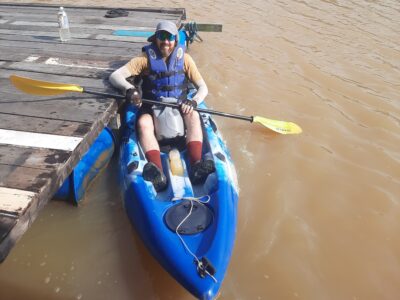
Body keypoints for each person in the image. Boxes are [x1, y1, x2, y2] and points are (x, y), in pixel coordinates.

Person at [109, 20, 215, 191]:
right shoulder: (144, 60)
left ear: (175, 39)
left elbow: (203, 87)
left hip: (179, 107)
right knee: (143, 123)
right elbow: (115, 76)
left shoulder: (186, 60)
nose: (166, 41)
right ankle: (157, 170)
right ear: (155, 38)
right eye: (162, 36)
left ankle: (196, 165)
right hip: (152, 107)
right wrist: (130, 89)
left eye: (170, 37)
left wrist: (193, 101)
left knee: (194, 115)